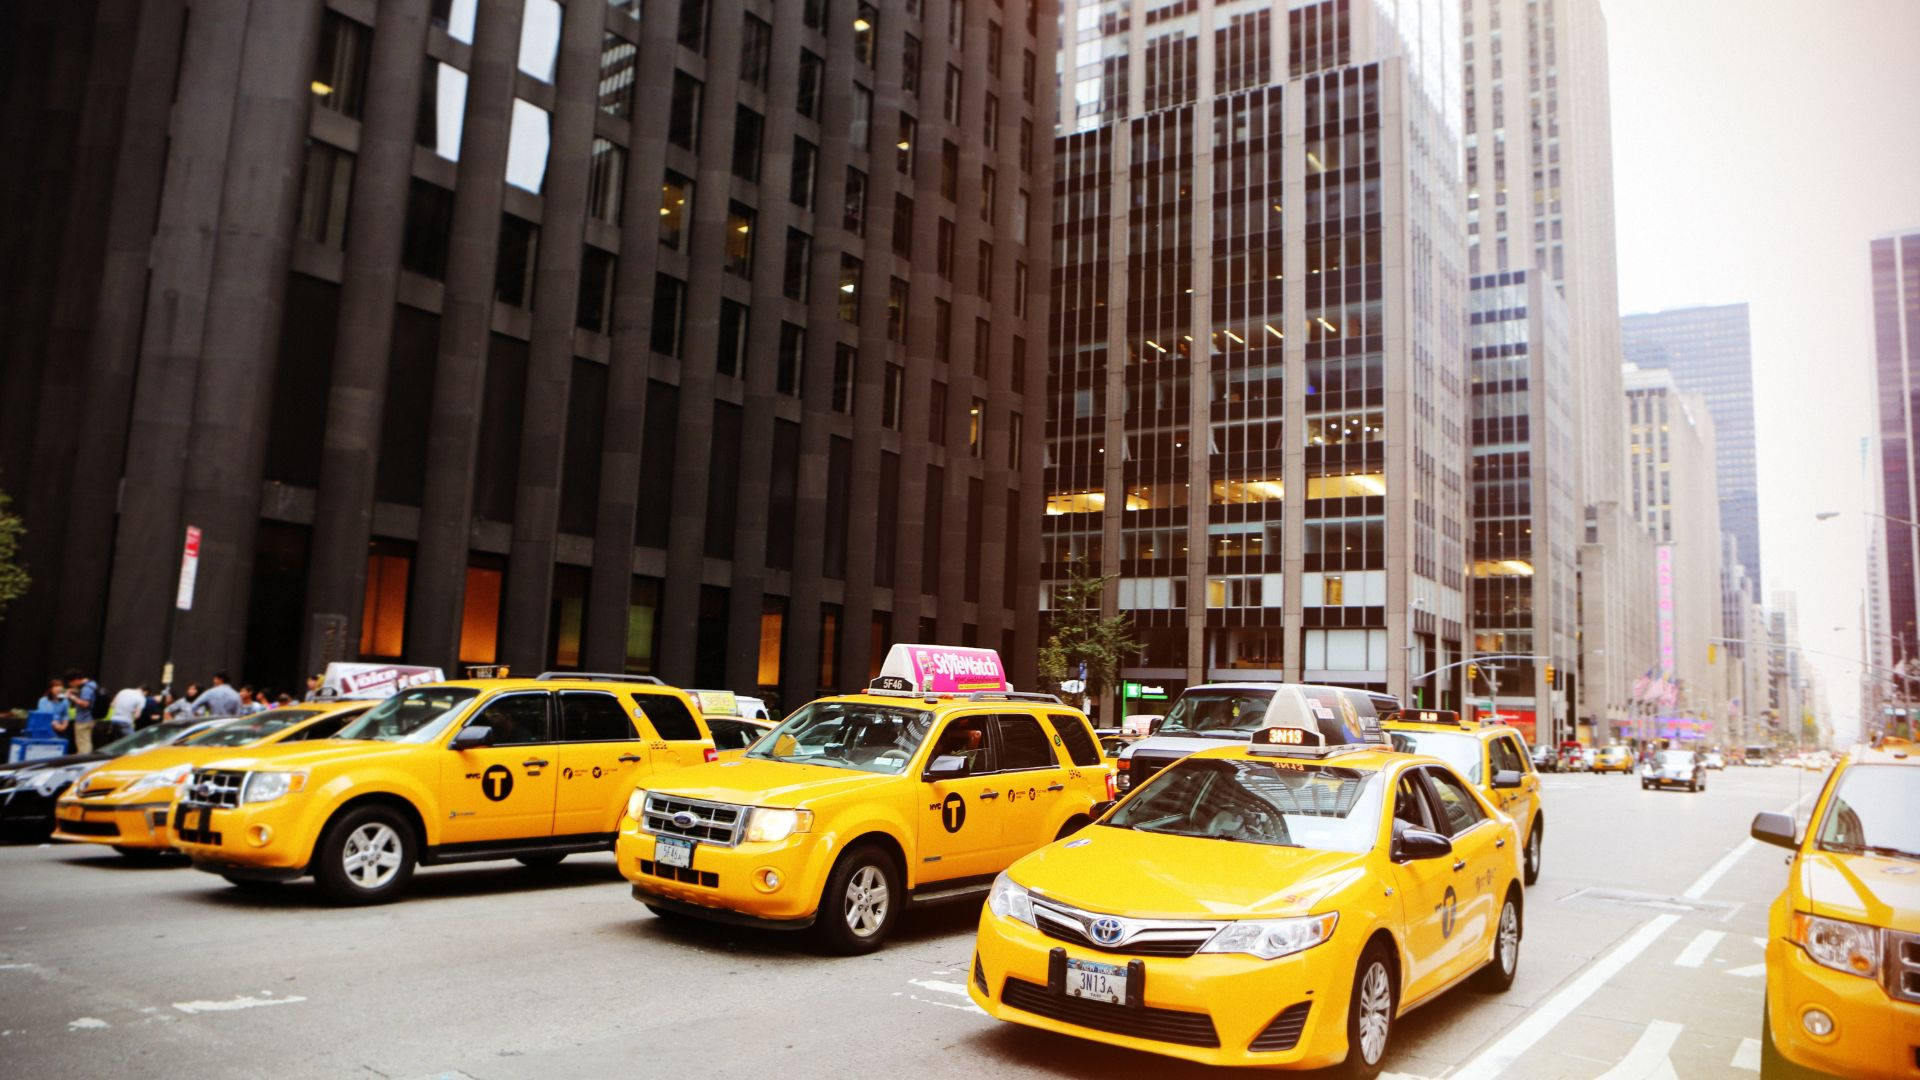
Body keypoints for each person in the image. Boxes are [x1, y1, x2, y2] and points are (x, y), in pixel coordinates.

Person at [65, 669, 99, 754]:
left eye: (71, 683)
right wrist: (74, 691)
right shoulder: (92, 684)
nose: (72, 685)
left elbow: (85, 704)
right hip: (91, 718)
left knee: (82, 744)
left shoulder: (86, 689)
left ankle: (83, 760)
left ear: (76, 680)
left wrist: (71, 697)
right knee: (86, 741)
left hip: (83, 719)